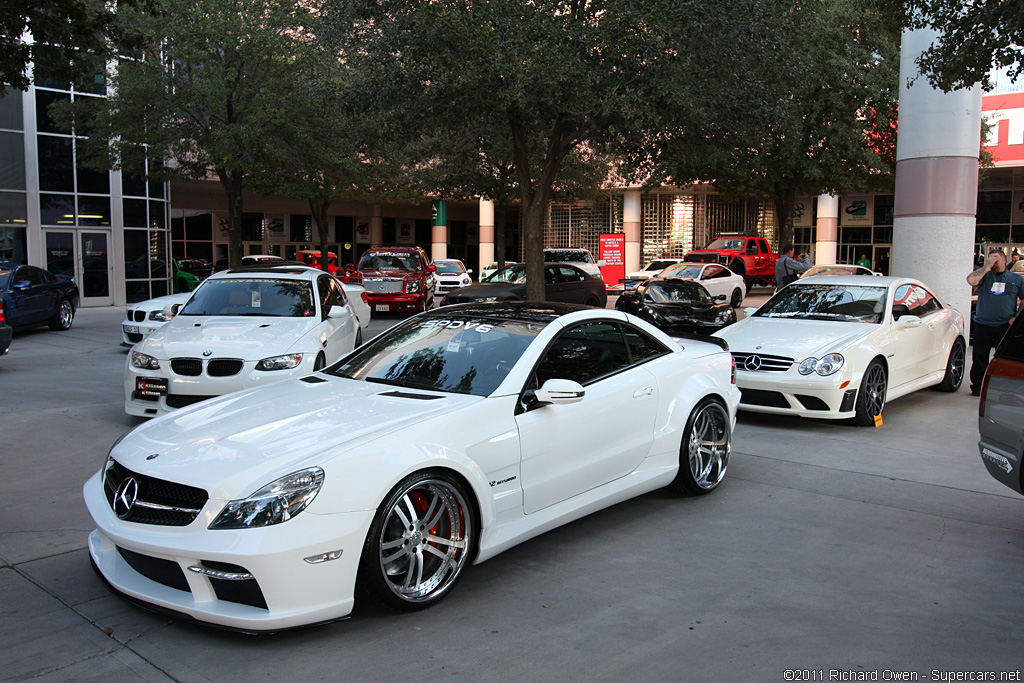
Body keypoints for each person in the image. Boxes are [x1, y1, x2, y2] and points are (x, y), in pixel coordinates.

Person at [966, 248, 1024, 395]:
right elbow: (971, 281)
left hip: (1004, 324)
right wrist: (986, 267)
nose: (993, 261)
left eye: (996, 258)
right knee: (979, 356)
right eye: (990, 258)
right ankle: (978, 386)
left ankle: (1002, 387)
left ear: (1004, 260)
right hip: (983, 324)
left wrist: (1016, 318)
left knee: (1003, 359)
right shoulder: (985, 276)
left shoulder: (1016, 279)